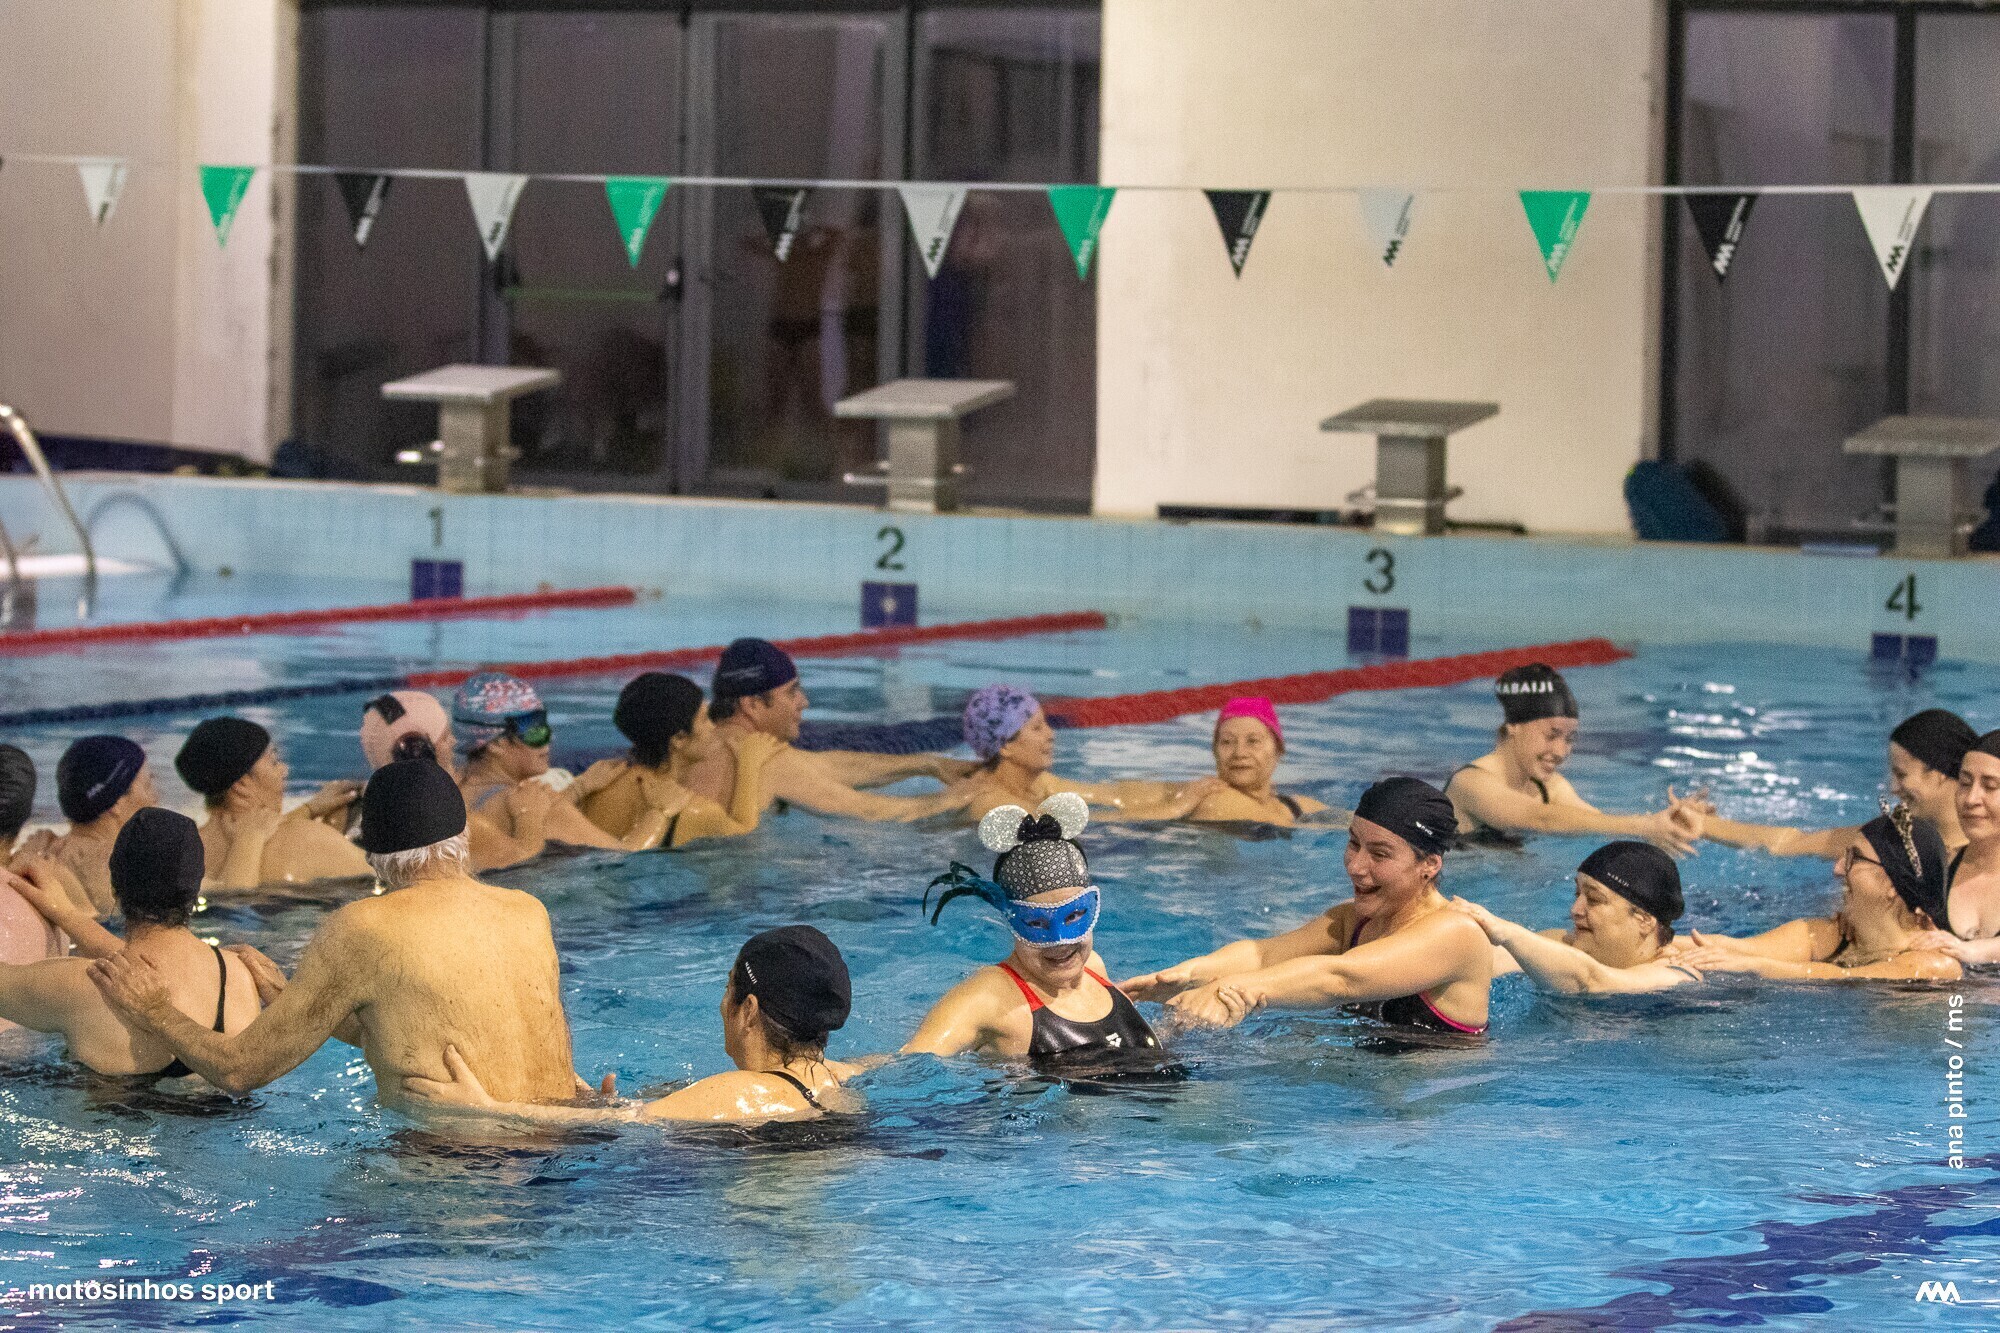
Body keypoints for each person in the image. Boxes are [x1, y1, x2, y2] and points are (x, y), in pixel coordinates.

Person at [86, 759, 580, 1109]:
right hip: (557, 1150)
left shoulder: (365, 926)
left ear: (374, 857)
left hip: (447, 1172)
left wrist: (155, 1011)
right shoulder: (527, 911)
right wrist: (295, 1000)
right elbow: (417, 1030)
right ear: (464, 837)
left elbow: (239, 1071)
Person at [1122, 777, 1491, 1035]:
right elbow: (1263, 956)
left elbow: (1341, 979)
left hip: (1435, 1113)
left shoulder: (1455, 933)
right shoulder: (1354, 920)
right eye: (1353, 844)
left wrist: (1232, 989)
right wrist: (1187, 975)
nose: (1356, 865)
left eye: (1379, 854)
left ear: (1430, 864)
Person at [402, 926, 860, 1126]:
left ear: (749, 1010)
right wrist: (598, 1106)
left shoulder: (744, 1091)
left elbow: (631, 1124)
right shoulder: (832, 1078)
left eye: (728, 988)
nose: (722, 1004)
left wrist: (485, 1109)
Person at [903, 794, 1167, 1072]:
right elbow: (906, 1066)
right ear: (1010, 920)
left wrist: (1176, 1020)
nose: (1060, 942)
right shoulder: (990, 996)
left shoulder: (1092, 966)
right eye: (1037, 924)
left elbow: (1128, 1058)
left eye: (1074, 916)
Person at [0, 809, 264, 1077]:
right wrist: (67, 913)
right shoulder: (241, 975)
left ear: (114, 886)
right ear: (195, 890)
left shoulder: (82, 984)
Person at [683, 639, 974, 822]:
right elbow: (872, 811)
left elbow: (825, 766)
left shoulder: (688, 746)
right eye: (791, 692)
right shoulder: (765, 759)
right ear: (753, 705)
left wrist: (927, 764)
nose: (804, 702)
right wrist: (963, 797)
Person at [1677, 806, 1960, 982]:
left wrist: (1756, 967)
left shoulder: (1936, 966)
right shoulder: (1831, 937)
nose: (1837, 869)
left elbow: (1848, 977)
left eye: (1854, 858)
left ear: (1892, 884)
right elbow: (1733, 947)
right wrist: (1664, 943)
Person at [1445, 664, 1701, 855]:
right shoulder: (1471, 783)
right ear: (1514, 727)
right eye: (1551, 735)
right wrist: (1643, 826)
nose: (1560, 751)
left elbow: (1600, 825)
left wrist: (1668, 823)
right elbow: (1540, 818)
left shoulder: (1550, 787)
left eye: (1569, 739)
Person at [452, 672, 685, 861]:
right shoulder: (540, 806)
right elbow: (626, 859)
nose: (550, 738)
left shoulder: (451, 789)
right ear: (496, 744)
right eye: (534, 729)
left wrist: (578, 789)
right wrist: (659, 813)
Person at [1697, 709, 1977, 858]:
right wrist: (1702, 824)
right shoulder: (1895, 838)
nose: (1893, 788)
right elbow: (1793, 842)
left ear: (1940, 773)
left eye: (1901, 775)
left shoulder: (1985, 855)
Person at [1448, 841, 1704, 993]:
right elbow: (1481, 961)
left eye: (1594, 899)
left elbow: (1591, 982)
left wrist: (1506, 931)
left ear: (1644, 920)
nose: (1575, 909)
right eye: (1577, 894)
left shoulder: (1677, 976)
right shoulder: (1562, 944)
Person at [956, 684, 1221, 825]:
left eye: (1046, 724)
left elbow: (1111, 795)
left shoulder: (1039, 784)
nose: (1051, 734)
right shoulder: (993, 803)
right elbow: (1085, 825)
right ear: (1006, 746)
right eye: (1037, 728)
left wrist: (1180, 790)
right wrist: (1174, 808)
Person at [574, 672, 781, 848]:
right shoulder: (693, 811)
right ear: (679, 739)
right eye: (704, 720)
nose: (713, 728)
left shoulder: (599, 783)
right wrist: (749, 764)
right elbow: (744, 836)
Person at [175, 716, 370, 888]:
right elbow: (386, 877)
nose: (284, 770)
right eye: (274, 762)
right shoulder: (308, 839)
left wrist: (310, 809)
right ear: (241, 785)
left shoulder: (181, 856)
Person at [1910, 731, 2000, 964]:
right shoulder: (1933, 871)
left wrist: (1976, 952)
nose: (1971, 799)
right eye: (1965, 783)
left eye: (1990, 786)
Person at [49, 735, 158, 918]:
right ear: (116, 803)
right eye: (147, 785)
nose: (155, 797)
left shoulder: (45, 856)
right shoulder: (120, 865)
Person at [1187, 697, 1330, 825]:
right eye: (1227, 742)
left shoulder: (1295, 806)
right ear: (1215, 752)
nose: (1239, 753)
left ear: (1278, 751)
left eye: (1253, 741)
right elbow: (1288, 828)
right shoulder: (1216, 802)